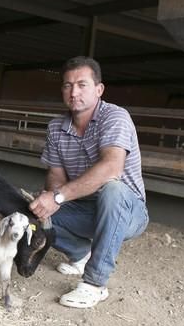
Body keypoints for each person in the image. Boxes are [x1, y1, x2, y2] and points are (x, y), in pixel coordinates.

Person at [29, 56, 149, 308]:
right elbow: (56, 178)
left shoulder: (115, 117)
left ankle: (94, 284)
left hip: (127, 212)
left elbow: (111, 169)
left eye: (82, 85)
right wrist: (48, 200)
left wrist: (59, 197)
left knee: (112, 189)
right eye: (67, 85)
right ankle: (80, 253)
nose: (74, 92)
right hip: (84, 209)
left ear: (99, 89)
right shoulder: (56, 128)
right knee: (33, 208)